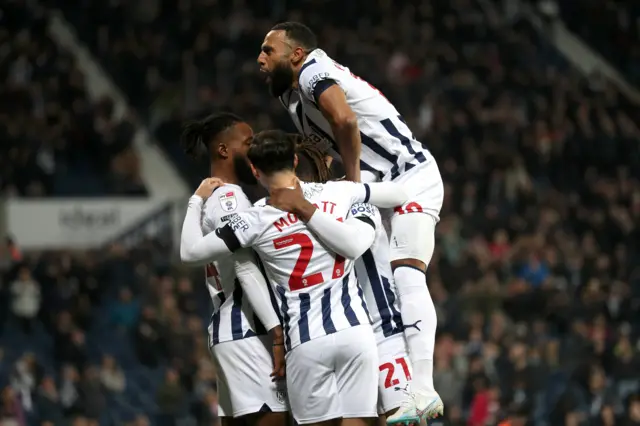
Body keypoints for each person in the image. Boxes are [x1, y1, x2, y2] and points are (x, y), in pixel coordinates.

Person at [256, 21, 444, 423]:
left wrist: (353, 183)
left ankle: (423, 389)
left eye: (268, 51)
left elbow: (344, 121)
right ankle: (405, 389)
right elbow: (326, 147)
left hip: (408, 176)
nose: (260, 59)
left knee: (407, 274)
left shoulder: (313, 72)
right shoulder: (291, 97)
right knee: (386, 288)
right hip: (379, 188)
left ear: (295, 53)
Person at [180, 130, 408, 426]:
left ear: (254, 169)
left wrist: (196, 200)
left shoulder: (253, 219)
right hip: (355, 332)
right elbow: (399, 194)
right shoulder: (335, 193)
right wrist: (353, 190)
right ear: (295, 159)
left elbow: (190, 252)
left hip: (305, 340)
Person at [289, 138, 413, 423]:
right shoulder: (294, 219)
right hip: (354, 334)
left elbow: (398, 194)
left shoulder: (351, 196)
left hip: (381, 330)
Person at [180, 113, 288, 426]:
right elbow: (245, 268)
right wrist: (276, 333)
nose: (255, 148)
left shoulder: (212, 198)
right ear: (225, 150)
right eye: (248, 142)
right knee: (276, 420)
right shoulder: (230, 198)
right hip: (244, 329)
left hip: (229, 330)